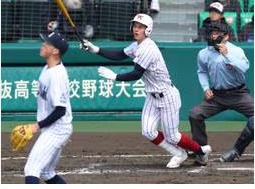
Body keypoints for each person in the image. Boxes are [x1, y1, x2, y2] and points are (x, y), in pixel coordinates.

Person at [80, 13, 212, 168]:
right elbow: (120, 55)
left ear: (148, 30)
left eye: (141, 27)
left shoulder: (148, 48)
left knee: (173, 136)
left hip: (167, 96)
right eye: (135, 26)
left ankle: (201, 152)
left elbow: (136, 73)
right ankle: (179, 153)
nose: (136, 29)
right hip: (152, 96)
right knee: (148, 131)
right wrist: (95, 49)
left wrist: (115, 77)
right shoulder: (137, 45)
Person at [189, 21, 254, 157]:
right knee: (195, 114)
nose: (213, 36)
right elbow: (201, 72)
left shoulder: (236, 50)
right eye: (212, 33)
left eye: (217, 33)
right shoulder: (204, 53)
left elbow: (244, 68)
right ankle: (201, 150)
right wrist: (206, 88)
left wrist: (227, 55)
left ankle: (236, 150)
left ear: (226, 36)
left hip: (239, 94)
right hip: (217, 96)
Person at [24, 32, 73, 184]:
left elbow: (60, 110)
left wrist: (36, 126)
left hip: (57, 130)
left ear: (55, 51)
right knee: (46, 172)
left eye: (47, 44)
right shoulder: (48, 68)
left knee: (31, 169)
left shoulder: (57, 76)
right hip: (54, 128)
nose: (43, 45)